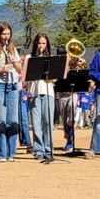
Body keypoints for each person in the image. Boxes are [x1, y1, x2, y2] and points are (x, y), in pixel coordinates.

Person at [0, 22, 23, 162]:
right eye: (3, 34)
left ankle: (11, 152)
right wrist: (0, 70)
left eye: (8, 34)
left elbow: (20, 70)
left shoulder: (12, 48)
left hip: (12, 84)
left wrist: (15, 62)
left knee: (12, 120)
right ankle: (0, 153)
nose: (6, 37)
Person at [27, 33, 57, 161]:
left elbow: (55, 78)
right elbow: (26, 78)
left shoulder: (51, 58)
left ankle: (49, 150)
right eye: (39, 43)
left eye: (44, 43)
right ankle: (38, 150)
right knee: (36, 123)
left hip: (48, 92)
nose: (41, 46)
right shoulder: (29, 58)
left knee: (48, 123)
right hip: (34, 93)